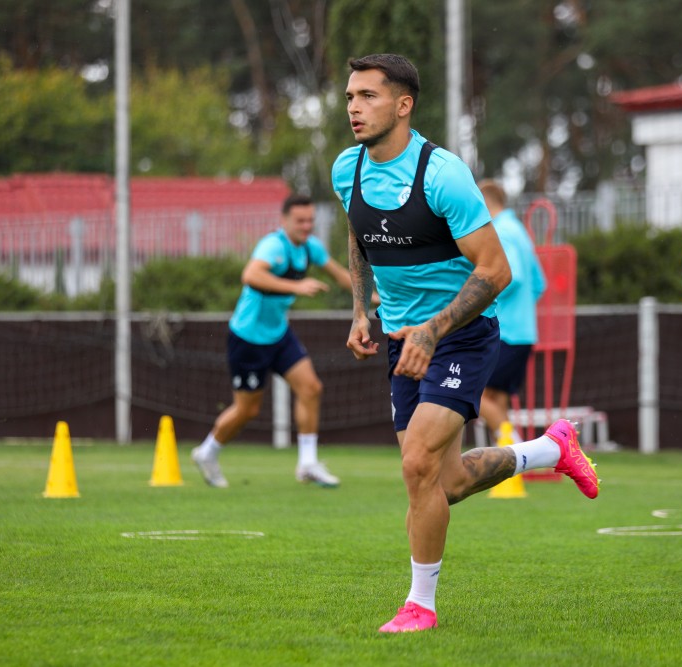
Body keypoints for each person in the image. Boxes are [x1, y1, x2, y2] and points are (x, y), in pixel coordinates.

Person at [332, 53, 599, 634]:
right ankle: (550, 450)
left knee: (417, 464)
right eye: (350, 96)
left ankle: (419, 606)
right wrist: (359, 309)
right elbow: (359, 234)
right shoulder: (346, 169)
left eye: (368, 96)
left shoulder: (442, 175)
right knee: (444, 483)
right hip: (402, 340)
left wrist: (434, 329)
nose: (354, 107)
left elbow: (497, 270)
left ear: (403, 105)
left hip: (461, 336)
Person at [190, 193, 354, 489]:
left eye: (310, 221)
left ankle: (307, 463)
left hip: (279, 334)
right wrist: (296, 287)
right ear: (284, 220)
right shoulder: (273, 245)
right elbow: (250, 275)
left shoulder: (310, 248)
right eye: (300, 221)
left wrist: (377, 297)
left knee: (311, 388)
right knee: (247, 410)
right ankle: (207, 452)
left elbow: (341, 276)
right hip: (248, 337)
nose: (306, 226)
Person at [476, 180, 547, 447]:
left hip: (504, 332)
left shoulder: (501, 231)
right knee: (496, 398)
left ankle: (519, 451)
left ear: (483, 203)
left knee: (473, 391)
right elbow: (539, 283)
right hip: (523, 331)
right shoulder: (518, 230)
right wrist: (520, 310)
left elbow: (511, 277)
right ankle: (506, 461)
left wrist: (480, 302)